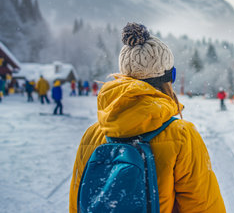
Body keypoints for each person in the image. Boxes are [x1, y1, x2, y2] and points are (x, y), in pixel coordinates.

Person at [69, 23, 225, 213]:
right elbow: (203, 206)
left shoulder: (92, 135)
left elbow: (77, 202)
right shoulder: (182, 135)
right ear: (168, 77)